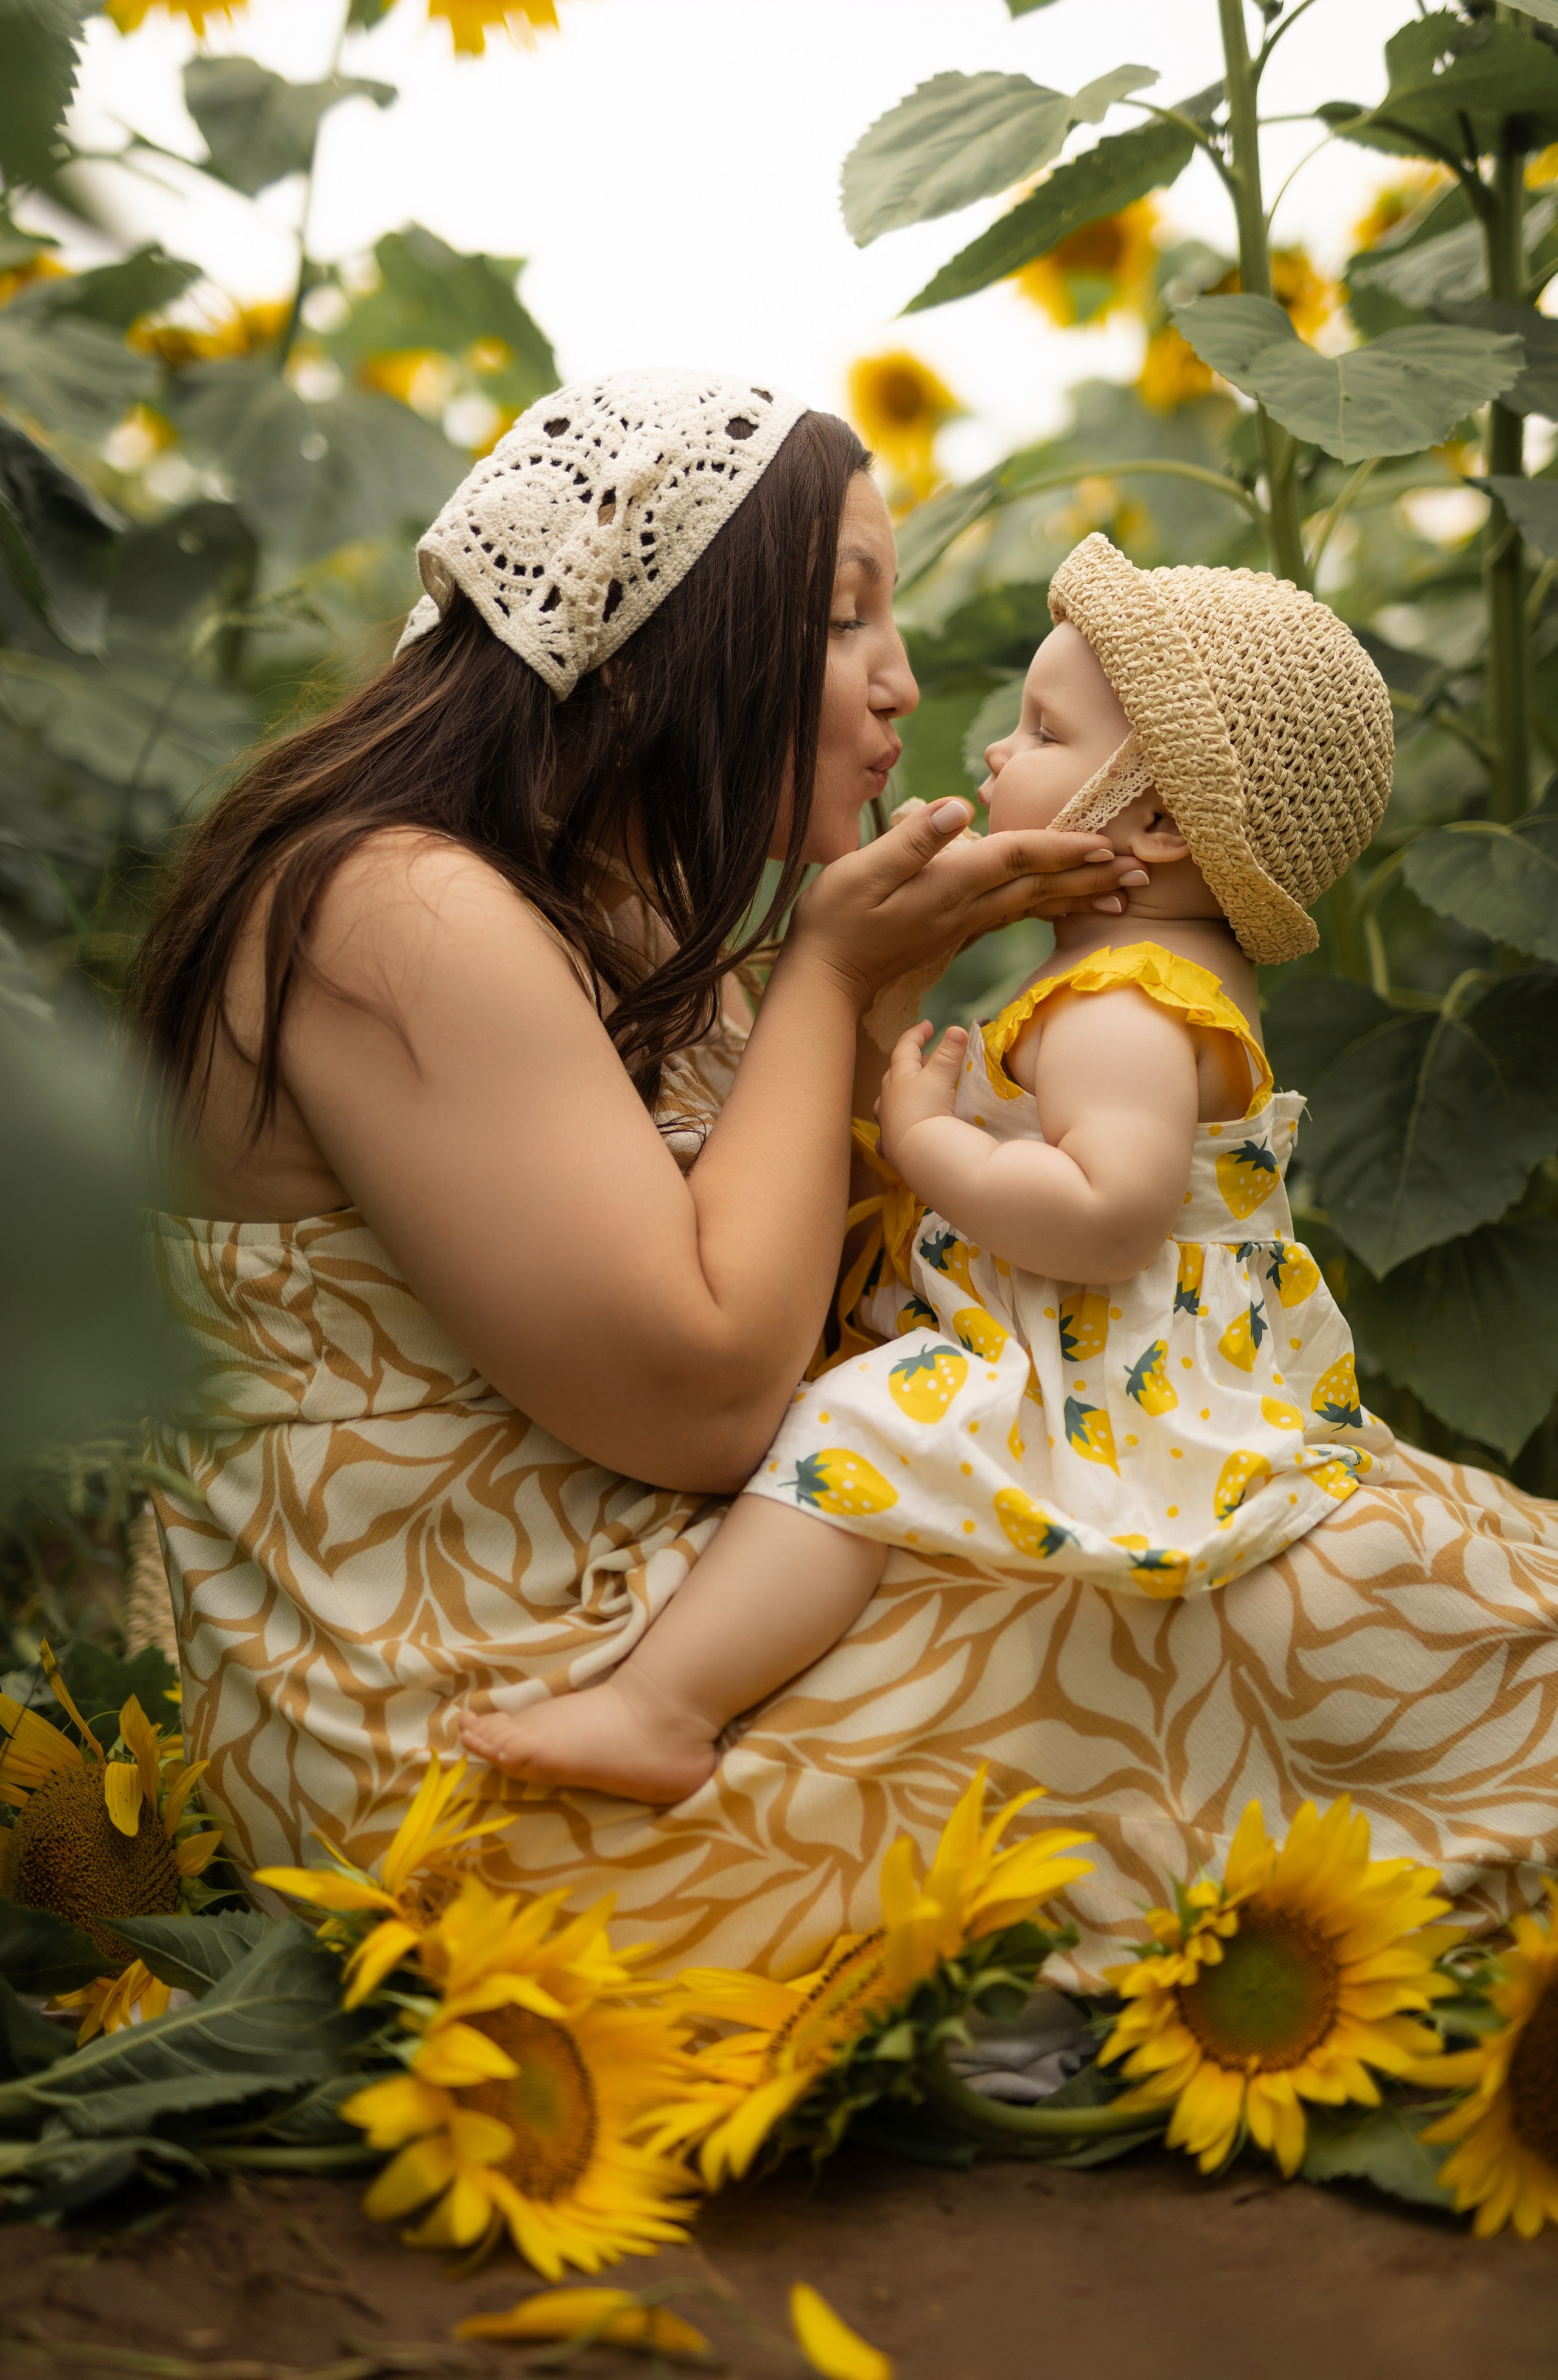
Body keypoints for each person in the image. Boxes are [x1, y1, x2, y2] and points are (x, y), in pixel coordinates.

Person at [135, 376, 1558, 1988]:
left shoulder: (616, 920)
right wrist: (828, 979)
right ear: (657, 635)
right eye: (840, 618)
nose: (900, 685)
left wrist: (881, 1007)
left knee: (1327, 1542)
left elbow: (847, 1311)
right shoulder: (401, 908)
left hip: (647, 1609)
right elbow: (705, 1393)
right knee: (1296, 1597)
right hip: (464, 1711)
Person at [460, 536, 1397, 1804]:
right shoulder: (1145, 988)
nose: (995, 754)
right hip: (1113, 1351)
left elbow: (1108, 1213)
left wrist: (929, 1141)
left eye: (1041, 732)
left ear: (1160, 819)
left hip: (1110, 1372)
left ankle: (659, 1706)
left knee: (858, 1433)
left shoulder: (1120, 1002)